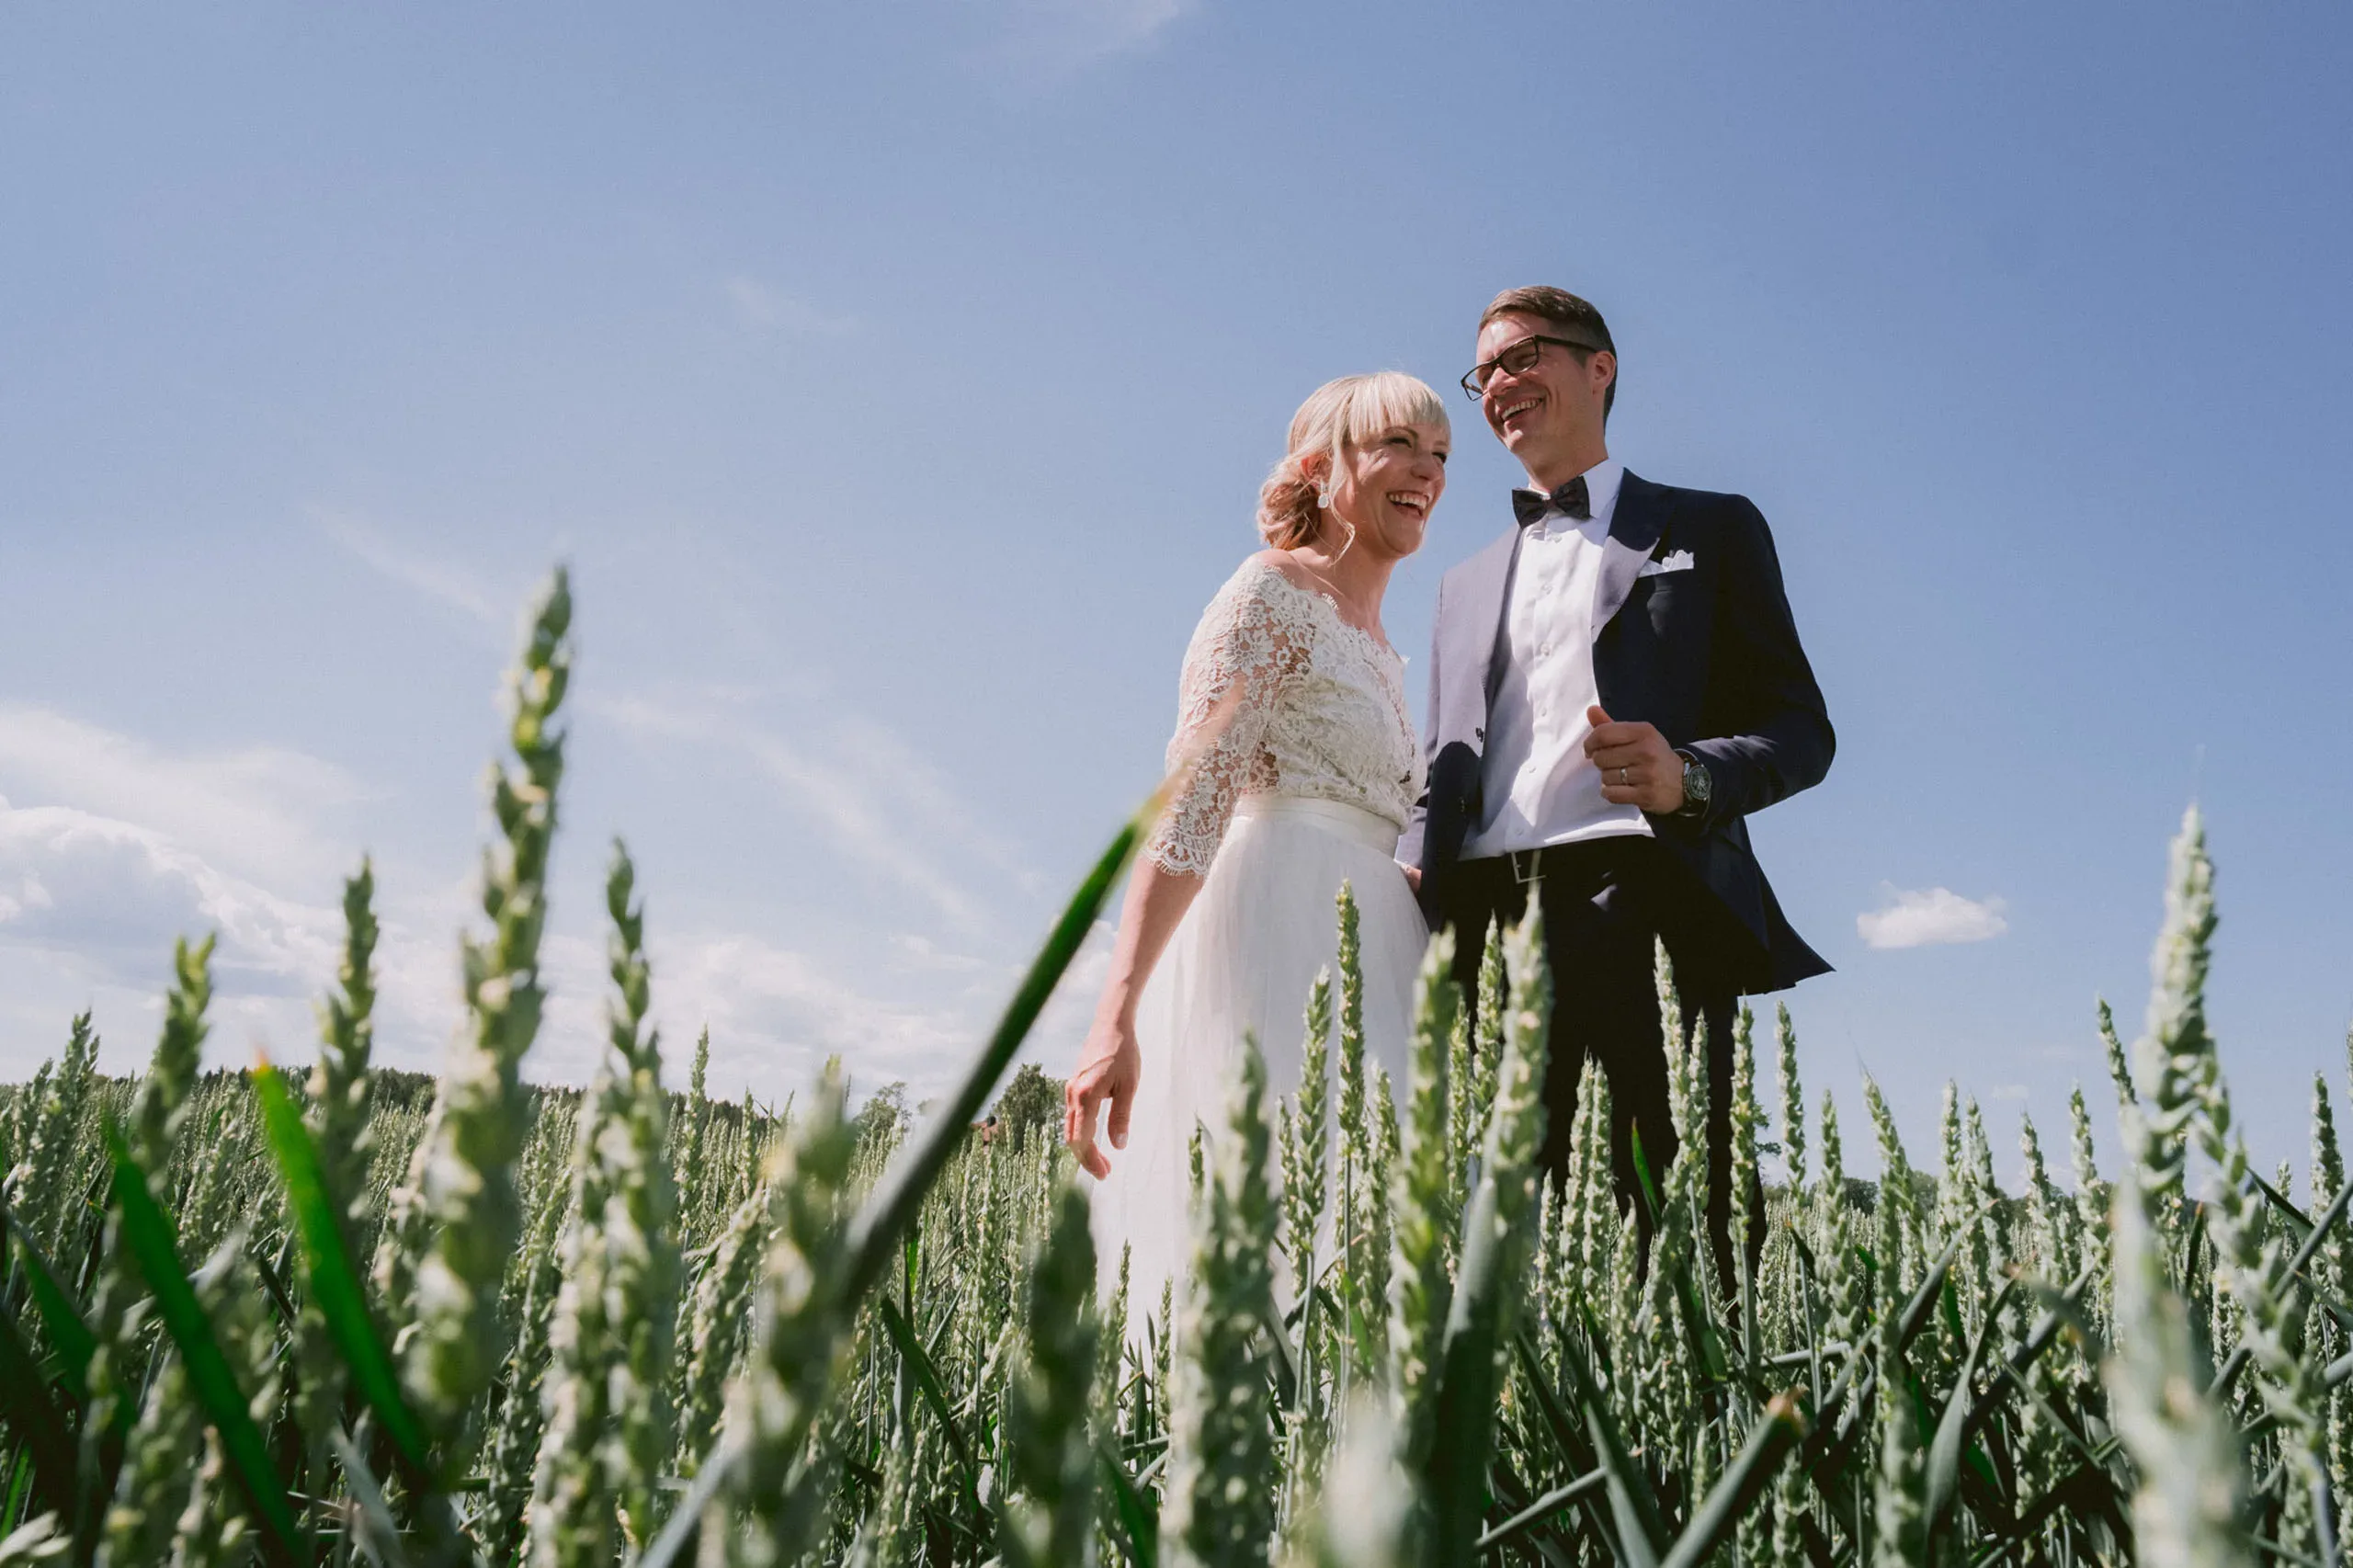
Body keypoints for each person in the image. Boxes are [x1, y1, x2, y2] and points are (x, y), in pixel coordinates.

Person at [1399, 287, 1834, 1293]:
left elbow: (1802, 730)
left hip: (1643, 901)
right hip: (1481, 929)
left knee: (1683, 1226)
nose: (1499, 385)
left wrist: (1690, 775)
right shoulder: (1459, 585)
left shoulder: (1711, 528)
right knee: (1500, 1249)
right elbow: (1440, 770)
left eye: (1522, 357)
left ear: (1600, 367)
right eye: (1485, 373)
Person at [1065, 371, 1449, 1303]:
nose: (1427, 471)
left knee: (1377, 1235)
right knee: (1270, 1216)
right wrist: (1114, 1012)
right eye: (1397, 443)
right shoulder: (1267, 594)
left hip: (1379, 949)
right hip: (1273, 928)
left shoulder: (1382, 643)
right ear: (1321, 467)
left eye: (1440, 454)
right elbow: (1190, 808)